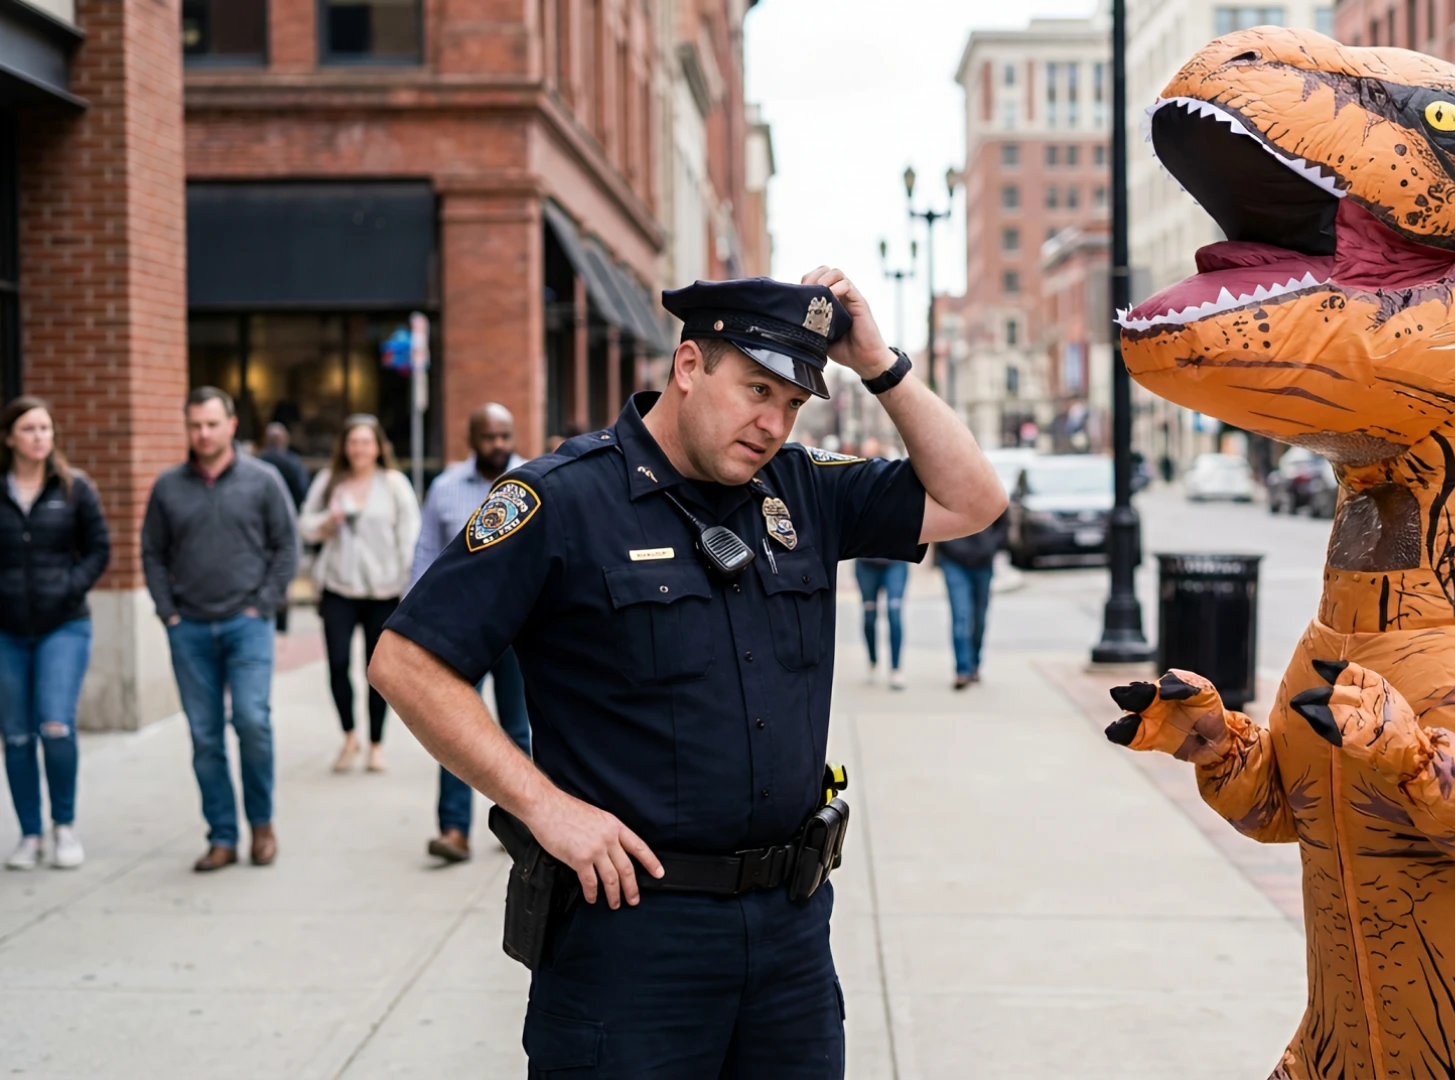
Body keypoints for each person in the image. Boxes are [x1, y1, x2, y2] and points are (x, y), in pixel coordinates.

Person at [369, 270, 1006, 1076]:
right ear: (689, 365)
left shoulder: (802, 489)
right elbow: (406, 662)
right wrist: (543, 807)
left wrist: (878, 363)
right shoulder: (561, 499)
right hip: (633, 938)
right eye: (755, 389)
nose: (773, 423)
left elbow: (975, 500)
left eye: (792, 403)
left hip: (791, 931)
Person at [142, 387, 298, 872]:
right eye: (195, 425)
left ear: (231, 425)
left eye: (211, 424)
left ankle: (262, 824)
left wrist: (263, 604)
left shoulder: (264, 480)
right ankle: (222, 836)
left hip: (245, 624)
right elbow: (152, 552)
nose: (202, 433)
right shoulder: (168, 487)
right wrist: (168, 611)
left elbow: (286, 546)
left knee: (252, 721)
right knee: (205, 736)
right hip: (188, 626)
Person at [409, 402, 529, 863]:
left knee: (519, 731)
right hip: (460, 632)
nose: (498, 445)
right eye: (489, 437)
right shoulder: (444, 488)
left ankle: (520, 826)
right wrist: (415, 624)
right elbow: (426, 556)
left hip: (518, 633)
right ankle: (454, 830)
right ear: (471, 439)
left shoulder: (537, 479)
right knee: (454, 730)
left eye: (504, 435)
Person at [0, 398, 109, 871]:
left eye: (45, 428)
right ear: (9, 438)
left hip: (63, 625)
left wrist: (68, 586)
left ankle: (63, 825)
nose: (40, 436)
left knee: (55, 725)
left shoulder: (74, 488)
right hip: (6, 630)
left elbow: (99, 549)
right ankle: (29, 834)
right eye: (29, 429)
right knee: (18, 736)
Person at [299, 415, 420, 774]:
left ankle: (376, 744)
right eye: (353, 442)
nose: (359, 449)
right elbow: (305, 527)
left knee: (376, 671)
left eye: (366, 442)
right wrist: (328, 521)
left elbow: (409, 537)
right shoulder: (329, 481)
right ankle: (349, 736)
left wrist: (405, 588)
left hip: (383, 592)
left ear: (378, 446)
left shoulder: (394, 484)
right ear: (344, 447)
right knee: (337, 664)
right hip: (338, 588)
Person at [935, 507, 1006, 690]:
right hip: (953, 561)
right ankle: (962, 670)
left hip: (983, 562)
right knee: (961, 615)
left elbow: (1003, 520)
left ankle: (974, 664)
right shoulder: (947, 485)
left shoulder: (988, 482)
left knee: (979, 618)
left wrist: (992, 546)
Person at [255, 424, 310, 633]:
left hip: (261, 526)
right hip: (286, 522)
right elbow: (303, 491)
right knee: (283, 569)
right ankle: (281, 623)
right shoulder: (292, 463)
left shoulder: (258, 462)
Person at [851, 557, 907, 689]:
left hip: (895, 560)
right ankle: (872, 660)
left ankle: (895, 668)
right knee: (869, 616)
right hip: (866, 562)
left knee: (894, 614)